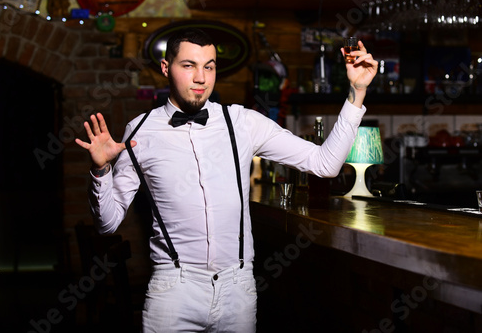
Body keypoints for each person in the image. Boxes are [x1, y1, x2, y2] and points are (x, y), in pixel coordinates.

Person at [75, 28, 378, 332]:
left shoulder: (242, 123)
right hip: (173, 291)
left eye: (209, 66)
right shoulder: (141, 131)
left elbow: (325, 164)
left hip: (238, 291)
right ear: (166, 68)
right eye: (189, 65)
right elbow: (107, 223)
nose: (201, 78)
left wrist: (357, 93)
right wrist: (101, 170)